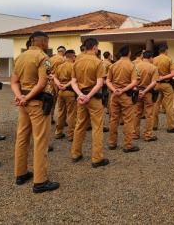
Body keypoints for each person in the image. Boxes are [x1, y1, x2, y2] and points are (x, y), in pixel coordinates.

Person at [11, 31, 59, 193]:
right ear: (43, 42)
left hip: (24, 102)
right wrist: (27, 97)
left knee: (22, 138)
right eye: (47, 42)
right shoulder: (43, 58)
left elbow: (14, 82)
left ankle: (21, 173)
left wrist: (20, 97)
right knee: (40, 141)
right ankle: (40, 181)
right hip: (37, 102)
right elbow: (41, 83)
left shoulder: (19, 57)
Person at [70, 38, 109, 168]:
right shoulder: (98, 62)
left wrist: (81, 95)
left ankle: (75, 154)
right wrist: (88, 96)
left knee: (79, 125)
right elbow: (99, 83)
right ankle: (97, 158)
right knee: (97, 127)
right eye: (97, 47)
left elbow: (73, 82)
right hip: (93, 98)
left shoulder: (76, 62)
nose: (97, 49)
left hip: (81, 98)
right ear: (94, 47)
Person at [106, 45, 140, 152]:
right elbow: (135, 82)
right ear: (129, 53)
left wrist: (114, 89)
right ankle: (128, 145)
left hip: (114, 96)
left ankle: (112, 143)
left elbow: (107, 80)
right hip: (126, 96)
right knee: (128, 120)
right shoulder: (132, 66)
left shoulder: (113, 65)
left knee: (113, 119)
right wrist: (124, 90)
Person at [152, 44, 174, 133]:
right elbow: (172, 74)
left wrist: (158, 78)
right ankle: (171, 127)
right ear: (166, 50)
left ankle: (154, 125)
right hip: (166, 84)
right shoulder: (169, 59)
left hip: (156, 84)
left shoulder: (153, 59)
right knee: (168, 105)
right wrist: (163, 77)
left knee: (156, 105)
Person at [133, 50, 158, 141]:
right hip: (148, 93)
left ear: (143, 57)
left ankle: (135, 134)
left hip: (137, 92)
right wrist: (145, 91)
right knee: (149, 114)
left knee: (137, 113)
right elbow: (154, 82)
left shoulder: (135, 66)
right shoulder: (153, 68)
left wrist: (137, 90)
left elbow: (132, 80)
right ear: (151, 57)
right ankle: (148, 135)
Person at [53, 49, 77, 141]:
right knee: (71, 114)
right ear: (73, 56)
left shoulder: (59, 66)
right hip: (70, 92)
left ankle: (58, 132)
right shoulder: (73, 66)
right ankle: (71, 135)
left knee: (61, 113)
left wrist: (59, 85)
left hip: (60, 92)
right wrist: (66, 86)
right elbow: (74, 80)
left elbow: (54, 77)